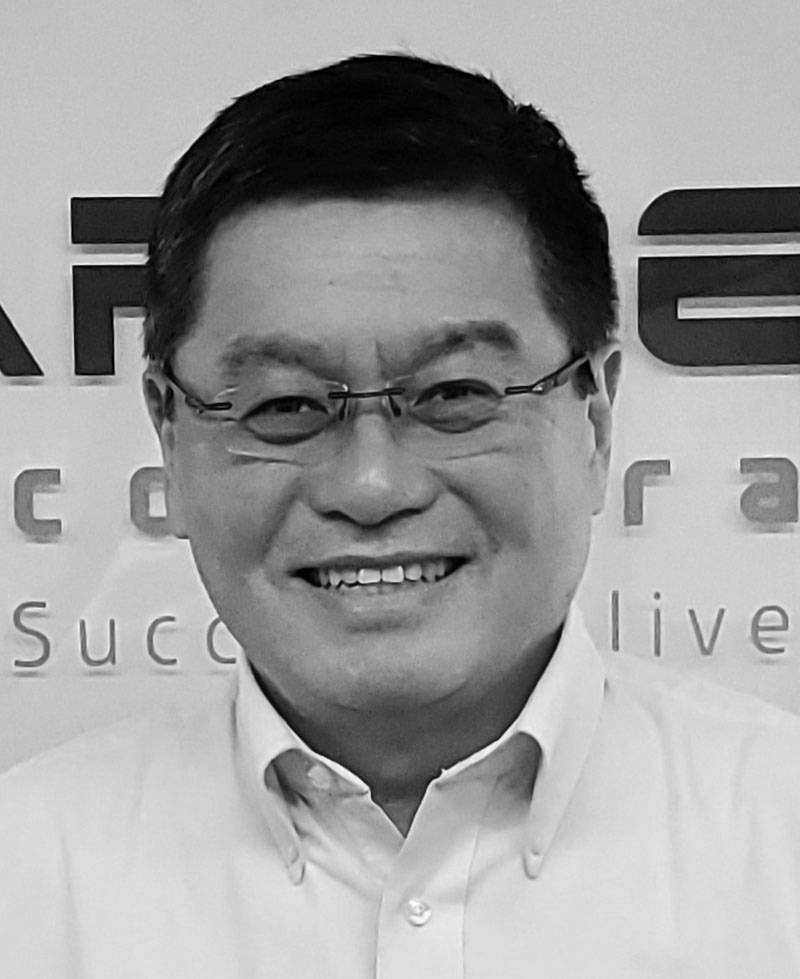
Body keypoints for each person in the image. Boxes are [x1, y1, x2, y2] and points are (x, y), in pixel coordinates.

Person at [1, 51, 799, 978]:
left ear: (595, 415)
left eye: (455, 394)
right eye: (286, 406)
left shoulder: (778, 832)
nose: (372, 485)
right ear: (170, 438)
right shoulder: (28, 877)